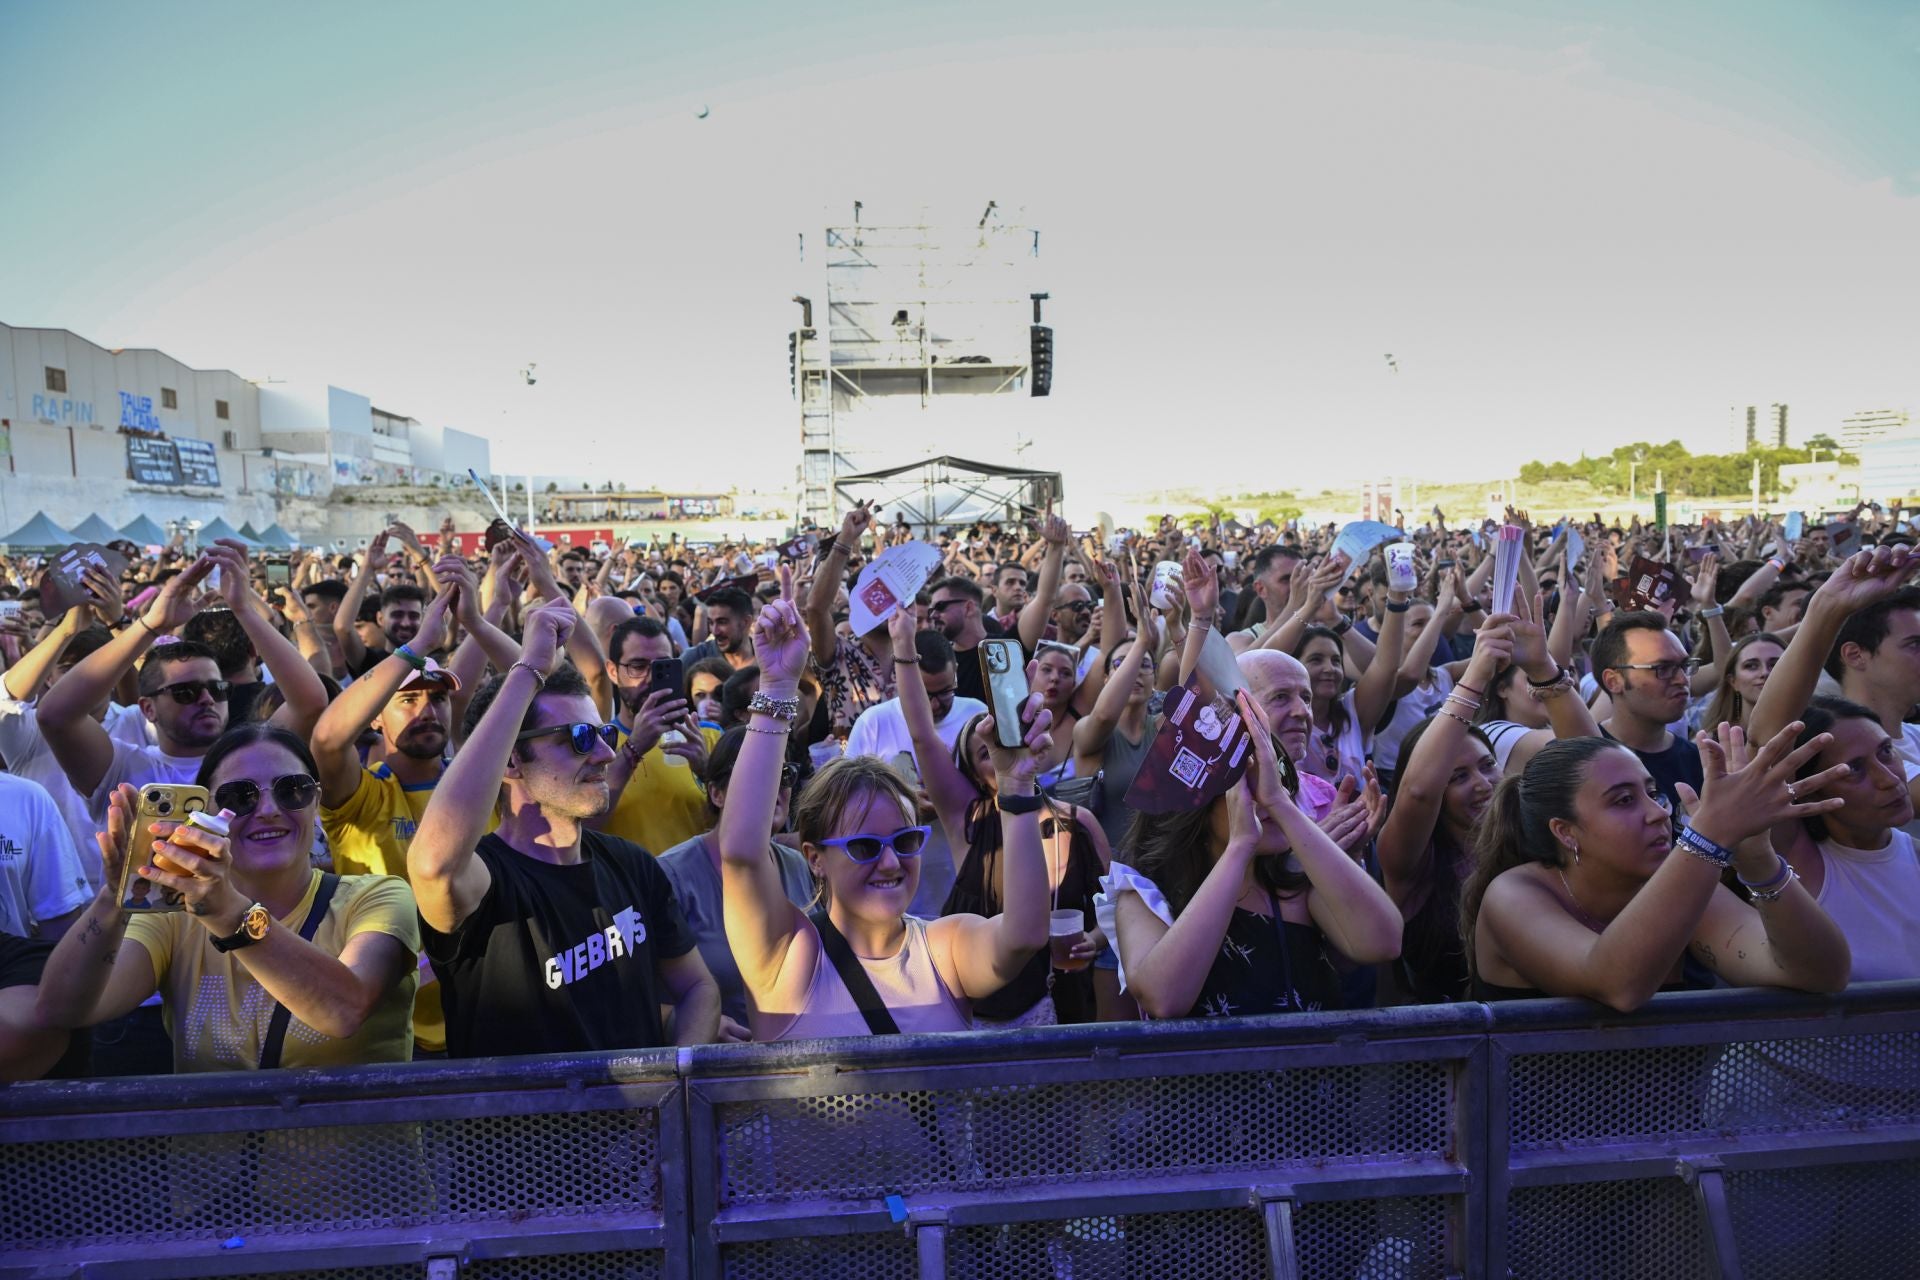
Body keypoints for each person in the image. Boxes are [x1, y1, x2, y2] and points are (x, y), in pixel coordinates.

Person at [718, 569, 1052, 1040]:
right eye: (864, 847)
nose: (892, 861)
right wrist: (776, 689)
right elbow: (741, 854)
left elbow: (1023, 936)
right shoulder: (787, 956)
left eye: (906, 840)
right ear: (815, 858)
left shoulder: (945, 948)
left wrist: (1016, 786)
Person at [405, 599, 719, 1055]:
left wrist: (676, 1088)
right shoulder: (484, 884)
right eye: (579, 739)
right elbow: (433, 863)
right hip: (531, 1128)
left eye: (605, 734)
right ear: (510, 759)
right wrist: (528, 668)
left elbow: (697, 989)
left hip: (645, 1124)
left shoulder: (630, 863)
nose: (606, 755)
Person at [33, 724, 421, 1070]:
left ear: (316, 803)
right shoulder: (175, 916)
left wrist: (225, 912)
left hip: (363, 1154)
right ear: (208, 812)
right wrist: (115, 896)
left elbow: (343, 1010)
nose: (268, 810)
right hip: (208, 1153)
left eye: (293, 790)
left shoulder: (379, 896)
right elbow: (62, 1010)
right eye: (240, 797)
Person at [1461, 726, 1853, 1008]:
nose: (1656, 814)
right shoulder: (1513, 894)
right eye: (1623, 801)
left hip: (1672, 1121)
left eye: (1653, 793)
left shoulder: (1674, 879)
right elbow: (1618, 986)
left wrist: (1758, 859)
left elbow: (1820, 973)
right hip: (1534, 1121)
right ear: (1565, 832)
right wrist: (1708, 837)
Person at [1099, 692, 1404, 1020]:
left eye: (1279, 780)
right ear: (1195, 806)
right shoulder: (1144, 894)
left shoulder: (1297, 883)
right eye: (1248, 785)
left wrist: (1282, 806)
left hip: (1315, 1070)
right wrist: (1240, 846)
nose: (1270, 796)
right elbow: (1163, 999)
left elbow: (1383, 941)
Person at [40, 542, 328, 825]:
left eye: (217, 689)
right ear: (147, 708)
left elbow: (310, 702)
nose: (206, 699)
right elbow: (56, 716)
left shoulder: (251, 756)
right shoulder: (125, 768)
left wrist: (244, 609)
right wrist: (150, 625)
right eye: (185, 692)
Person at [1745, 547, 1920, 977]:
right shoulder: (1795, 861)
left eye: (1886, 753)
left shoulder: (1913, 854)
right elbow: (1767, 740)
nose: (1889, 780)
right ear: (1809, 790)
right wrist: (1827, 607)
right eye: (1854, 770)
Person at [657, 727, 815, 1035]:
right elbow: (632, 995)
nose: (774, 787)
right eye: (755, 773)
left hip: (799, 1065)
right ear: (716, 793)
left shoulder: (797, 865)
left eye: (783, 774)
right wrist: (701, 1021)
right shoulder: (670, 875)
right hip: (716, 1072)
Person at [599, 615, 718, 856]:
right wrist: (633, 749)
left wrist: (707, 771)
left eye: (662, 666)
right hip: (630, 889)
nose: (651, 677)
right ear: (613, 671)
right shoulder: (595, 745)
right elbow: (580, 829)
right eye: (638, 666)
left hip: (700, 888)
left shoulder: (708, 736)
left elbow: (746, 824)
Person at [1589, 611, 1704, 811]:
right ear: (1614, 681)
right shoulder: (1582, 759)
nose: (1683, 679)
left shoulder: (1699, 762)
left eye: (1685, 666)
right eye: (1662, 668)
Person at [843, 628, 985, 771]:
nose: (935, 705)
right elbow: (848, 788)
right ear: (903, 680)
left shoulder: (977, 716)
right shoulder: (873, 724)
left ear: (955, 671)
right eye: (925, 695)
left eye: (945, 692)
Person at [1698, 631, 1785, 739]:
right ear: (1733, 681)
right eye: (1751, 666)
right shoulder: (1710, 742)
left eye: (1775, 664)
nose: (1765, 673)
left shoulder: (1811, 729)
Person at [679, 587, 757, 670]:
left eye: (722, 622)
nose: (715, 631)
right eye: (711, 623)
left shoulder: (767, 658)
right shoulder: (694, 658)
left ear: (746, 622)